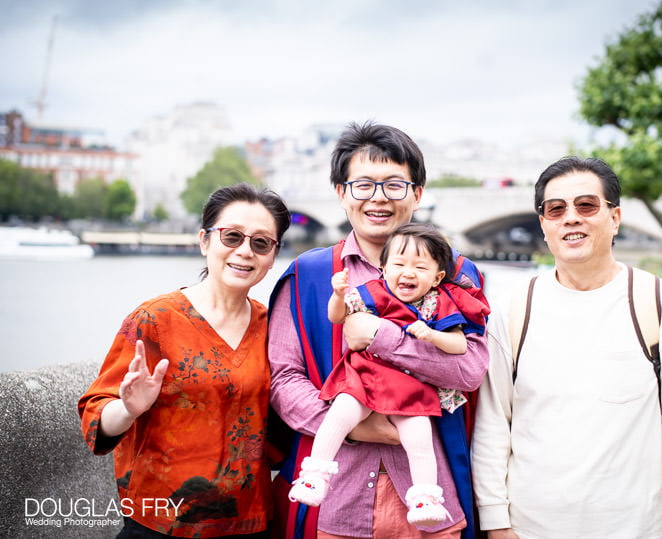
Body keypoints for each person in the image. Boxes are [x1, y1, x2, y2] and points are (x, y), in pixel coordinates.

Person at [267, 121, 489, 538]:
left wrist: (382, 337)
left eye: (394, 185)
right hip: (333, 498)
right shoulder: (310, 275)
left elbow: (470, 370)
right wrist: (351, 425)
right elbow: (283, 379)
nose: (378, 198)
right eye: (363, 185)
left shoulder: (457, 274)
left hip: (430, 497)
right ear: (341, 192)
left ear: (418, 194)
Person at [471, 156, 662, 538]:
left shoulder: (657, 300)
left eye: (587, 205)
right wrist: (496, 523)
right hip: (530, 528)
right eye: (556, 209)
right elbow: (493, 422)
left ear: (614, 218)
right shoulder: (515, 306)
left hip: (637, 528)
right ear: (544, 225)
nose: (571, 218)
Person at [78, 183, 291, 538]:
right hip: (160, 524)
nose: (244, 252)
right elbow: (96, 416)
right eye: (232, 236)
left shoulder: (274, 327)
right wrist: (129, 410)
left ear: (272, 255)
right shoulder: (155, 320)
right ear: (205, 241)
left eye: (260, 243)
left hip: (250, 524)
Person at [288, 223, 489, 528]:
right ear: (383, 267)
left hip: (410, 389)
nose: (408, 272)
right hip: (366, 379)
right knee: (339, 415)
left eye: (420, 267)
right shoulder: (371, 291)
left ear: (436, 277)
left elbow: (461, 346)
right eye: (398, 264)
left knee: (420, 439)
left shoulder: (440, 303)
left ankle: (425, 499)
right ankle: (315, 474)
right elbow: (336, 316)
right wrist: (339, 295)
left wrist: (432, 337)